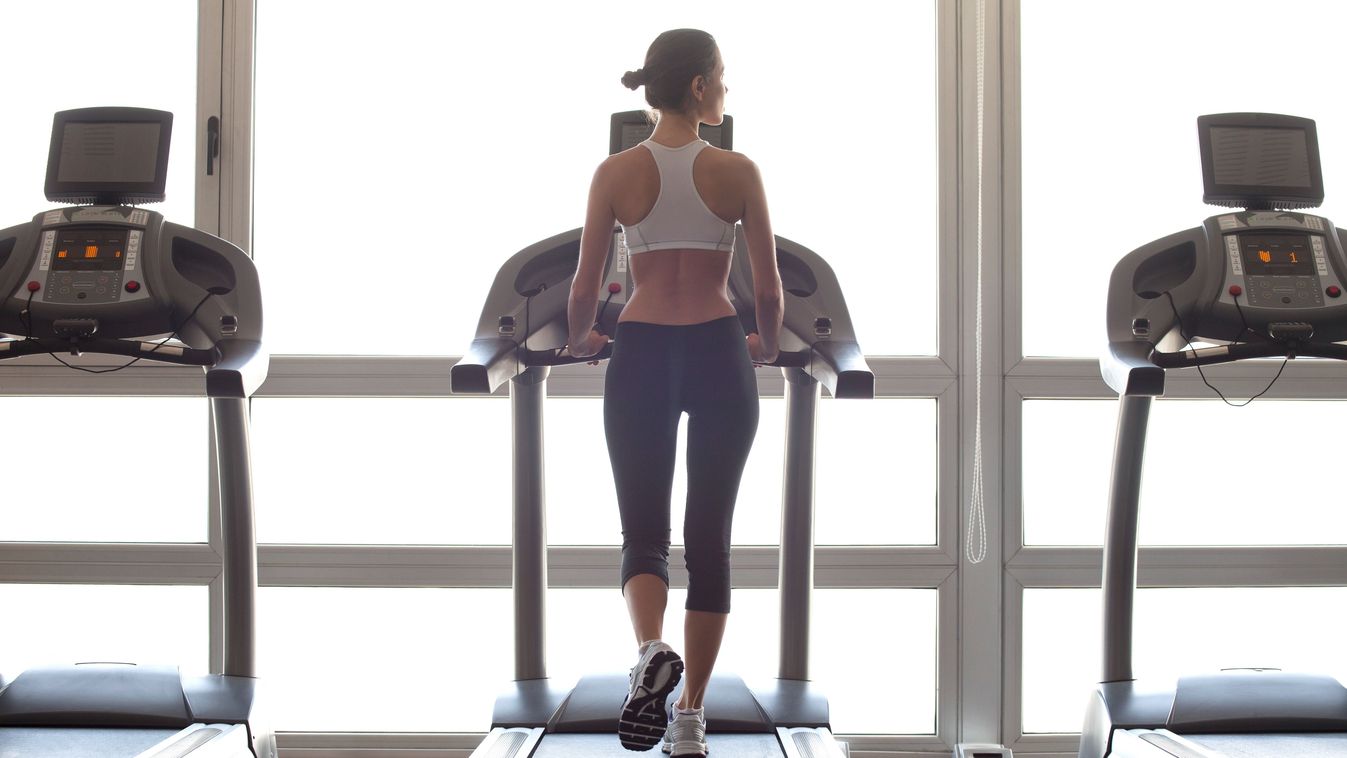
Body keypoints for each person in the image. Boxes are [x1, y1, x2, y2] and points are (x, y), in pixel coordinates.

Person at [565, 28, 783, 758]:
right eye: (720, 78)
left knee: (642, 535)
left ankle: (651, 651)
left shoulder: (614, 173)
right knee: (709, 543)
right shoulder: (739, 171)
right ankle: (688, 718)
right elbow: (771, 292)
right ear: (697, 87)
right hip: (719, 350)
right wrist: (765, 344)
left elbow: (585, 287)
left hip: (643, 351)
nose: (725, 90)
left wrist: (584, 340)